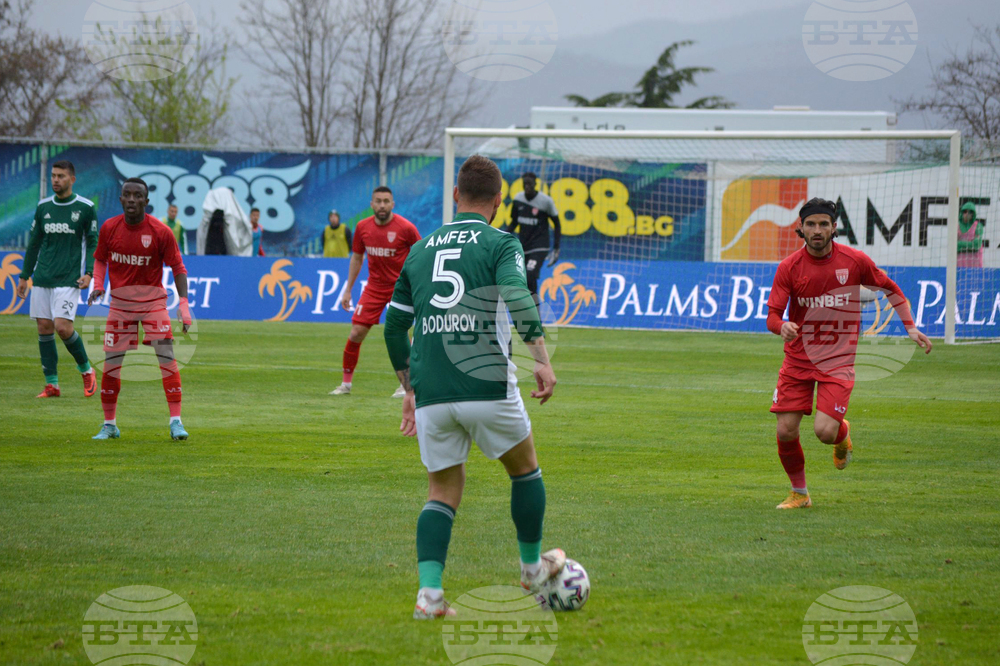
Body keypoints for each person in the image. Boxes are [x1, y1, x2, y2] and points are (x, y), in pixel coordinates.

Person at [384, 155, 563, 619]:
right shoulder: (502, 242)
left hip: (431, 391)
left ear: (455, 195)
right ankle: (532, 570)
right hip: (486, 383)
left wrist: (409, 389)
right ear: (499, 201)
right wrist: (541, 360)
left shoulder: (421, 249)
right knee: (524, 469)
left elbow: (394, 328)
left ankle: (429, 597)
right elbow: (518, 295)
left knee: (442, 491)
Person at [766, 197, 932, 509]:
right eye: (811, 224)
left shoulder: (854, 261)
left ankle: (842, 434)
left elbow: (891, 288)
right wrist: (782, 326)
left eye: (823, 224)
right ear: (800, 227)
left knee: (824, 432)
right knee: (786, 431)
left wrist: (910, 327)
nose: (817, 230)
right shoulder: (789, 267)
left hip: (837, 361)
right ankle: (800, 493)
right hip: (798, 359)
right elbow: (772, 316)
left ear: (834, 228)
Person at [88, 178, 193, 441]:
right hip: (120, 304)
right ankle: (109, 425)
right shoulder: (109, 228)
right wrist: (98, 284)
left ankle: (176, 422)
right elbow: (100, 259)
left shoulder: (161, 232)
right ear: (121, 199)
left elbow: (178, 267)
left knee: (166, 356)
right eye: (127, 195)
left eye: (138, 196)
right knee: (111, 364)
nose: (132, 199)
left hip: (152, 302)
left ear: (146, 201)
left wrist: (183, 303)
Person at [16, 160, 98, 398]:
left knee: (63, 327)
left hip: (69, 278)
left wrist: (89, 273)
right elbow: (34, 243)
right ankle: (52, 384)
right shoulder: (43, 207)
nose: (55, 180)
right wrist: (24, 276)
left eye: (61, 176)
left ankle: (86, 370)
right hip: (43, 277)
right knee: (44, 328)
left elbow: (93, 242)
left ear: (72, 179)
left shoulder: (85, 207)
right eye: (53, 175)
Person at [330, 186, 420, 397]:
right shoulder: (362, 227)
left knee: (401, 333)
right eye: (378, 201)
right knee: (356, 332)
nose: (382, 205)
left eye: (386, 201)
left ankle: (406, 384)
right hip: (374, 288)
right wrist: (348, 290)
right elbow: (357, 258)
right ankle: (345, 385)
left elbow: (422, 252)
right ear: (371, 204)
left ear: (393, 204)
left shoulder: (406, 228)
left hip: (401, 289)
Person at [503, 172, 561, 304]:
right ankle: (530, 311)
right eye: (525, 184)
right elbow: (514, 222)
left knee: (530, 274)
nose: (527, 187)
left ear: (535, 184)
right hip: (523, 246)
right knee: (522, 280)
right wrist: (502, 236)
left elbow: (557, 224)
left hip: (540, 246)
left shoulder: (546, 201)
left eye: (529, 184)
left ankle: (535, 312)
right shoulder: (518, 199)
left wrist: (556, 248)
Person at [957, 201, 984, 268]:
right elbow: (954, 245)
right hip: (959, 263)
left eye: (970, 212)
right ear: (962, 212)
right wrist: (970, 244)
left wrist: (960, 244)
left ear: (973, 214)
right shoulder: (956, 226)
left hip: (975, 263)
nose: (967, 214)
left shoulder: (978, 226)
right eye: (965, 211)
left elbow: (977, 245)